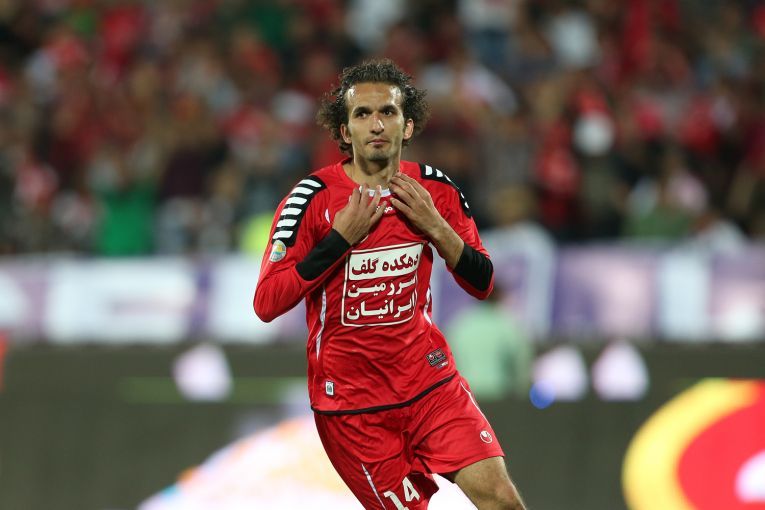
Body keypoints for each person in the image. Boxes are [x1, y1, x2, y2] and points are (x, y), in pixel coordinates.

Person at [253, 59, 526, 510]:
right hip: (353, 407)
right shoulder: (310, 200)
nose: (376, 124)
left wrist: (437, 227)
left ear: (408, 124)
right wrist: (340, 239)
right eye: (362, 114)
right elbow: (266, 302)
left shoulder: (433, 190)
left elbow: (483, 282)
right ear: (344, 132)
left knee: (501, 498)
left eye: (388, 112)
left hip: (430, 383)